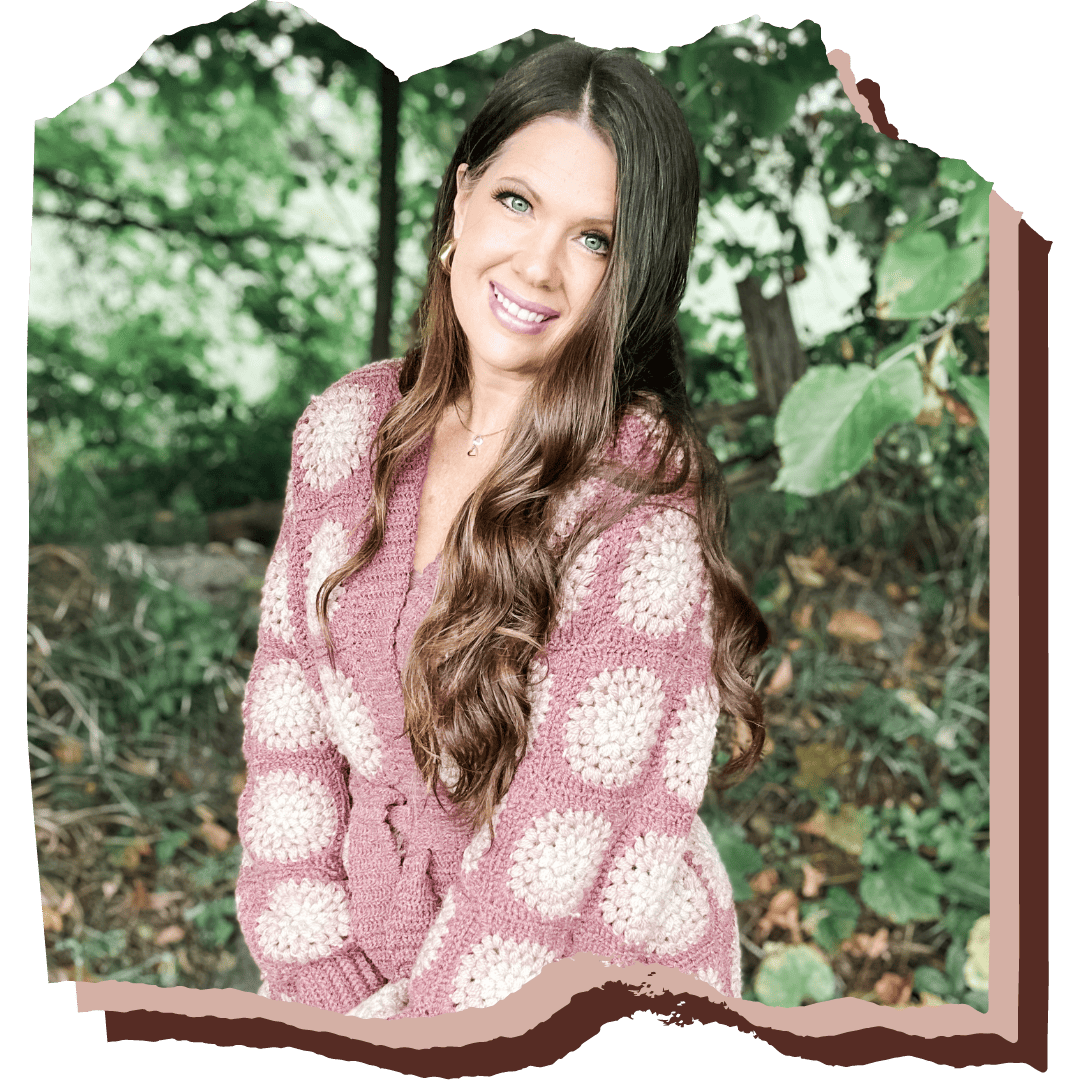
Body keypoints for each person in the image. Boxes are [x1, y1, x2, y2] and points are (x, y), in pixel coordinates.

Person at [234, 40, 769, 1020]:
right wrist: (316, 973)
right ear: (461, 198)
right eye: (518, 202)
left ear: (634, 277)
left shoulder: (636, 501)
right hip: (364, 978)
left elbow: (559, 859)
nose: (538, 265)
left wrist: (401, 1034)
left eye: (594, 238)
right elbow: (288, 733)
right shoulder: (347, 434)